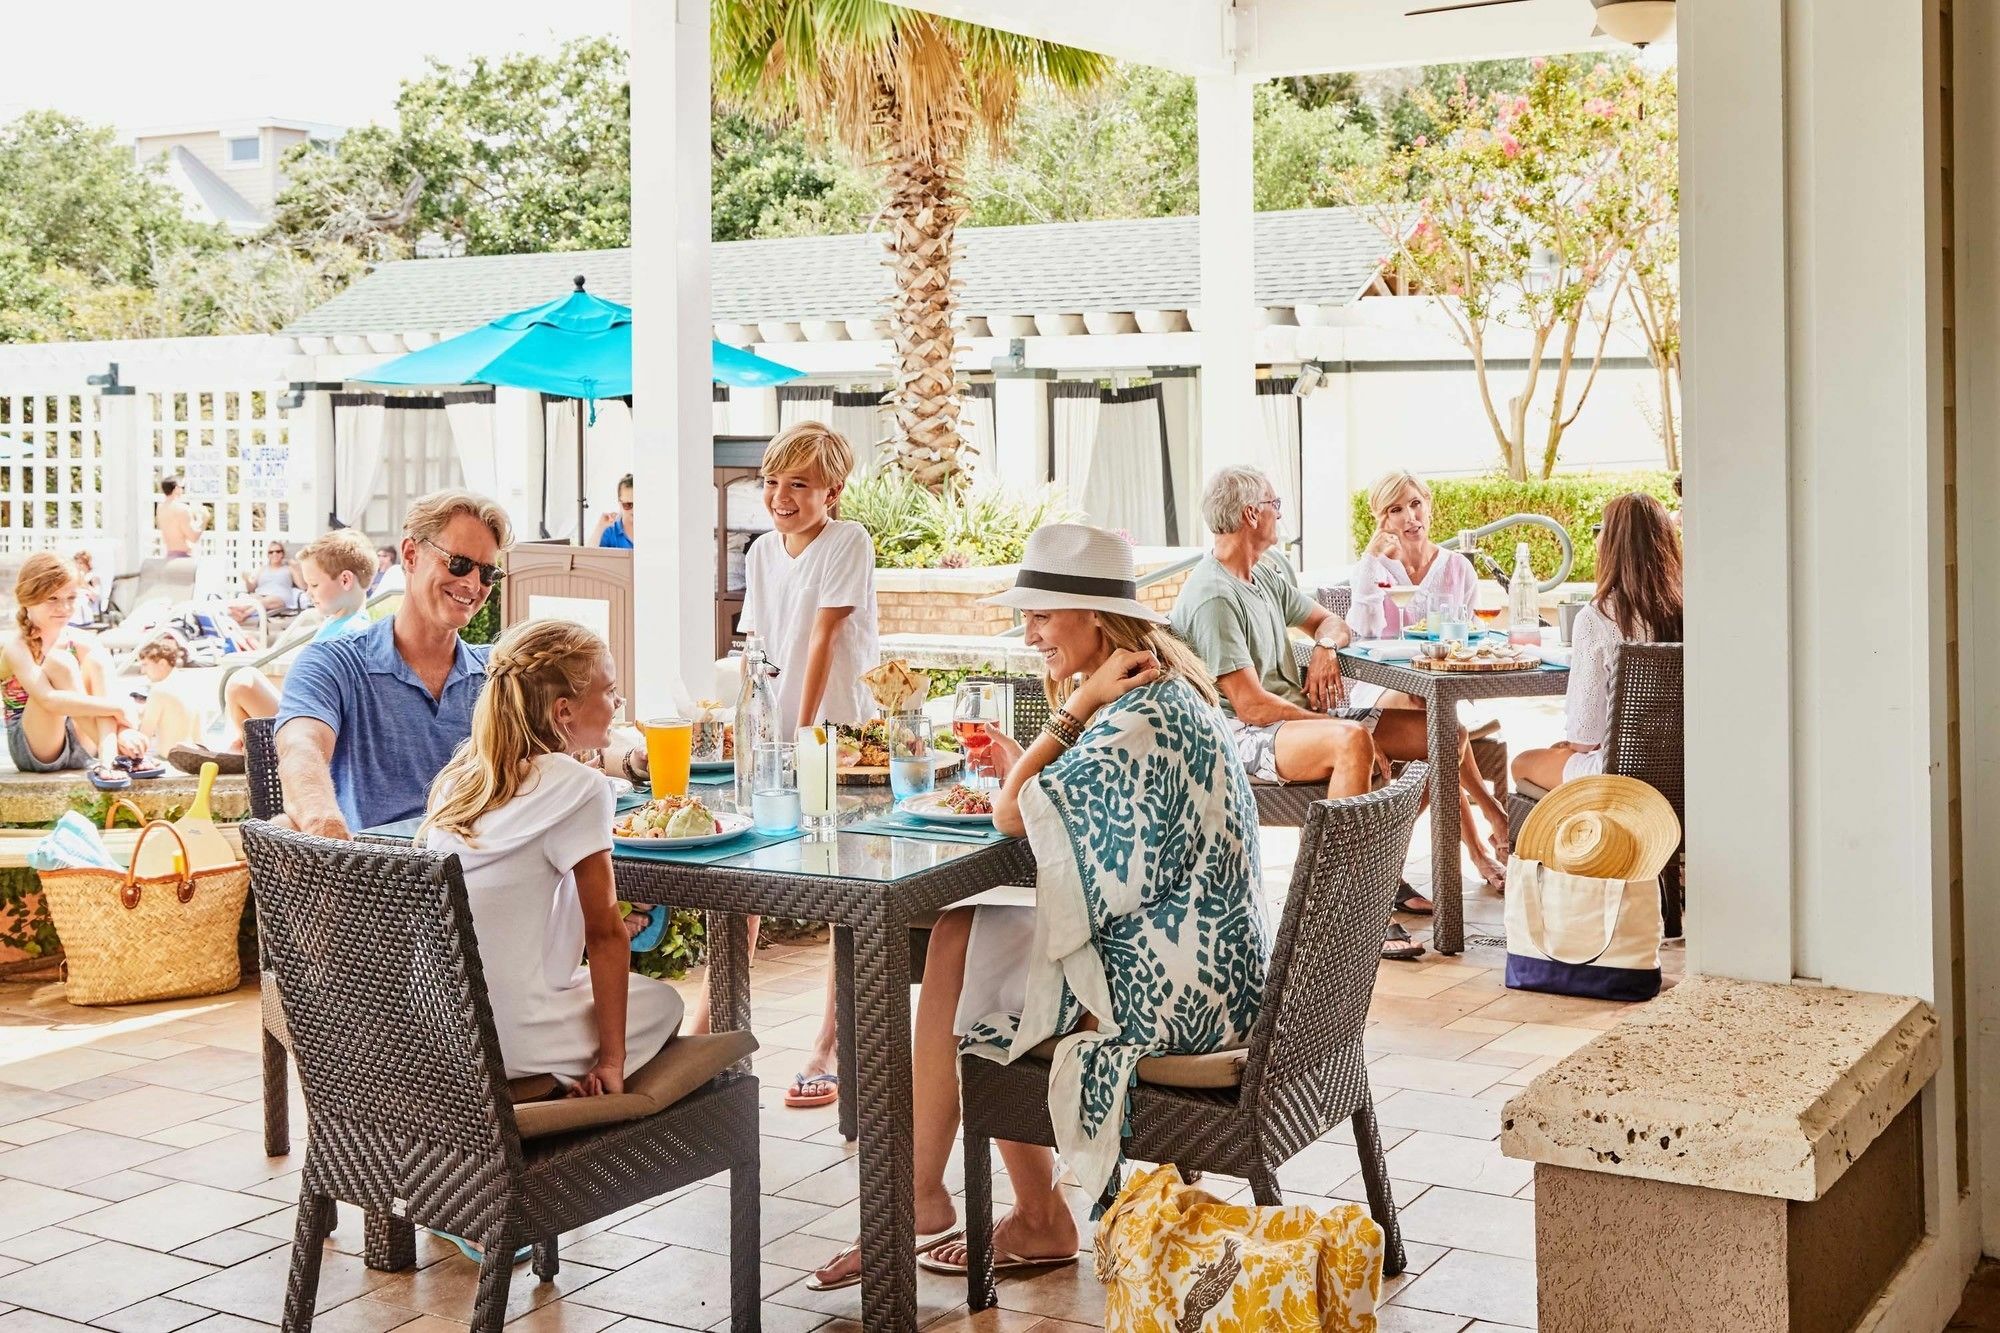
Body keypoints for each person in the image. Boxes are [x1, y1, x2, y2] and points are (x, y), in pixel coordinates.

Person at [808, 523, 1268, 1290]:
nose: (1029, 634)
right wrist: (1065, 723)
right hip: (1209, 964)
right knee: (966, 936)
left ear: (1094, 616)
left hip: (1178, 997)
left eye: (1042, 615)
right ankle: (1010, 1209)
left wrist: (1074, 706)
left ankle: (944, 1200)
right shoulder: (1162, 689)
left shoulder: (1130, 710)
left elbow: (1013, 814)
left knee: (963, 954)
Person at [276, 489, 650, 840]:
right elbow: (301, 749)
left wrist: (636, 761)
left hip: (488, 873)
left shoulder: (499, 670)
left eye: (487, 573)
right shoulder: (334, 663)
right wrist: (324, 827)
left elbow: (576, 735)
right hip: (382, 886)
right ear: (410, 555)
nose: (473, 583)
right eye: (459, 564)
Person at [420, 618, 681, 1089]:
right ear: (564, 711)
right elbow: (604, 938)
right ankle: (560, 1083)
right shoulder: (582, 788)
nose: (618, 703)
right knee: (664, 1005)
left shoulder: (459, 780)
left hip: (441, 1029)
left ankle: (548, 1074)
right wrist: (612, 1061)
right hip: (508, 1039)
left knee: (593, 988)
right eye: (610, 690)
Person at [707, 421, 879, 1109]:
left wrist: (802, 734)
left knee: (842, 888)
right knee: (743, 872)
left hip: (835, 734)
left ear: (832, 491)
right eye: (773, 482)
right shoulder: (760, 552)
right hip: (773, 736)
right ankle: (712, 1029)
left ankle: (829, 1043)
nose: (780, 495)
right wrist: (746, 725)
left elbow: (821, 639)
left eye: (799, 484)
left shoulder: (848, 541)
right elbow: (759, 645)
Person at [172, 528, 379, 775]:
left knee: (243, 681)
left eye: (313, 584)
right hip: (306, 723)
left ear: (345, 580)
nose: (308, 592)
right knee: (249, 681)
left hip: (314, 732)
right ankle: (240, 747)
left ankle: (243, 751)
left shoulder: (351, 634)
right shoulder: (339, 624)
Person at [1512, 492, 1683, 792]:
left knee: (1522, 763)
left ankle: (1536, 836)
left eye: (1601, 529)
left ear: (1613, 544)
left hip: (1618, 778)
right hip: (1683, 769)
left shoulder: (1598, 617)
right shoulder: (1690, 610)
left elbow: (1584, 738)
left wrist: (1573, 746)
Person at [2, 553, 149, 790]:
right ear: (28, 599)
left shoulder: (83, 641)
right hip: (38, 747)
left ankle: (110, 761)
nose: (64, 607)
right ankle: (114, 754)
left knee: (96, 662)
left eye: (71, 597)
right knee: (60, 663)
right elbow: (49, 700)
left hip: (84, 742)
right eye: (53, 598)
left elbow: (110, 691)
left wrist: (124, 731)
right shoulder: (16, 646)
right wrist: (117, 708)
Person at [133, 637, 202, 754]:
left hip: (170, 759)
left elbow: (143, 738)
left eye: (145, 665)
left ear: (162, 663)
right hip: (195, 758)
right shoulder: (190, 685)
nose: (143, 671)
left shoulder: (159, 691)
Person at [229, 541, 303, 626]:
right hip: (261, 595)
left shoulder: (289, 569)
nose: (274, 554)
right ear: (268, 555)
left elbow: (302, 586)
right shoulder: (262, 569)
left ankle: (243, 614)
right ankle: (236, 611)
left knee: (264, 601)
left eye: (278, 551)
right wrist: (246, 580)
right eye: (271, 552)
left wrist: (297, 568)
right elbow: (251, 589)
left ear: (282, 553)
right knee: (252, 598)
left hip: (280, 597)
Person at [157, 477, 205, 559]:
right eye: (181, 487)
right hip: (183, 557)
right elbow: (193, 537)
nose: (182, 490)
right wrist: (204, 520)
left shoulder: (160, 508)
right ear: (176, 488)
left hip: (169, 555)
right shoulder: (182, 509)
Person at [592, 474, 635, 549]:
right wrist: (600, 527)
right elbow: (588, 557)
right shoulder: (610, 531)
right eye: (628, 504)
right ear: (620, 503)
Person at [68, 550, 105, 628]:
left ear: (87, 564)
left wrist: (85, 585)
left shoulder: (93, 576)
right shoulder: (75, 576)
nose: (78, 566)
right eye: (77, 563)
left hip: (88, 604)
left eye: (81, 563)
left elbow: (96, 595)